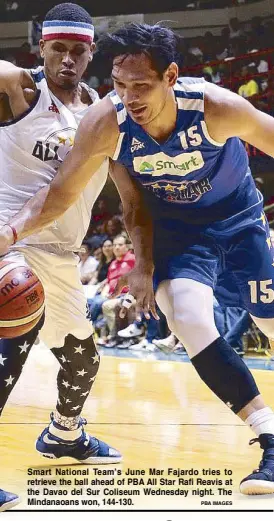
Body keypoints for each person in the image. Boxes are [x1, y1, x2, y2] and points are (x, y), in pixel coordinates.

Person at [2, 22, 274, 494]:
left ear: (170, 77)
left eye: (141, 86)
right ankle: (268, 437)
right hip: (178, 233)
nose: (129, 97)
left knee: (270, 324)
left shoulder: (216, 107)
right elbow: (58, 195)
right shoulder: (106, 122)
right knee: (185, 314)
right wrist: (9, 231)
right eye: (120, 85)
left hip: (240, 221)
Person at [0, 2, 121, 464]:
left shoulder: (100, 111)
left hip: (63, 254)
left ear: (90, 55)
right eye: (58, 49)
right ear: (42, 48)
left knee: (83, 359)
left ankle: (64, 436)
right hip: (13, 243)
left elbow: (128, 192)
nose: (67, 59)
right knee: (13, 346)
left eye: (77, 51)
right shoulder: (20, 88)